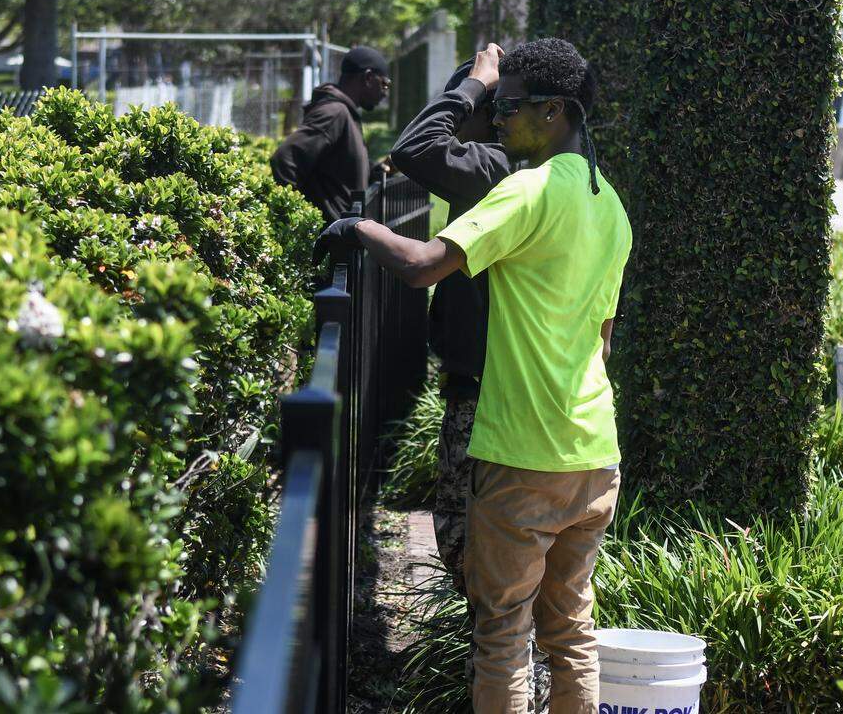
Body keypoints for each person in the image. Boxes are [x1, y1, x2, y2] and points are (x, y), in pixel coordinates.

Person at [315, 37, 631, 713]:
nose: (498, 117)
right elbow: (601, 342)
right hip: (594, 454)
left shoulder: (528, 190)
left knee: (503, 637)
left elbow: (425, 262)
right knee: (571, 632)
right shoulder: (611, 204)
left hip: (523, 454)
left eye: (508, 104)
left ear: (553, 113)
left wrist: (358, 229)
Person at [390, 46, 550, 710]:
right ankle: (508, 664)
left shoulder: (492, 170)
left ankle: (510, 671)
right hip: (500, 388)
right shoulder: (526, 174)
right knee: (488, 546)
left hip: (484, 391)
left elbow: (416, 147)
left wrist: (477, 83)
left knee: (463, 535)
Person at [270, 45, 392, 222]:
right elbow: (285, 159)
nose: (385, 93)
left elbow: (337, 170)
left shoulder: (345, 113)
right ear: (368, 77)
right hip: (330, 241)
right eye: (385, 84)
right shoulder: (334, 113)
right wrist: (296, 219)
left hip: (341, 238)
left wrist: (376, 169)